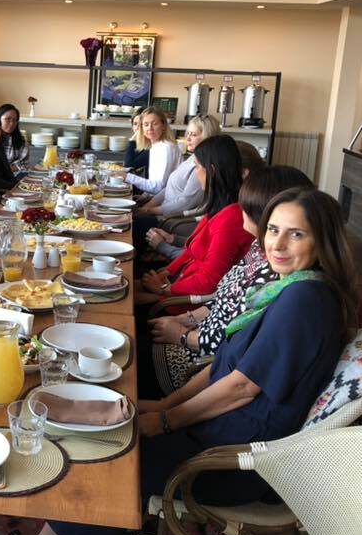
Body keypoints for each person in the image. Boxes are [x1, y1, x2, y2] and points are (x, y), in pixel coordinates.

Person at [0, 187, 360, 535]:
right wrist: (165, 406)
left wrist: (166, 421)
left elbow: (241, 387)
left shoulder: (305, 300)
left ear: (323, 241)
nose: (278, 244)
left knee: (108, 452)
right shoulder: (283, 289)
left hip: (236, 457)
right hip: (222, 427)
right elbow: (223, 366)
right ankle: (109, 528)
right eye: (273, 230)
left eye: (296, 234)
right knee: (113, 414)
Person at [148, 166, 314, 394]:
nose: (239, 208)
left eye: (246, 204)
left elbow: (234, 346)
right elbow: (223, 300)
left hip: (201, 364)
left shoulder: (278, 274)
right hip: (198, 334)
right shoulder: (259, 248)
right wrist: (184, 319)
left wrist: (181, 335)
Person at [138, 136, 253, 306]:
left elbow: (209, 280)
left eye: (197, 166)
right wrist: (167, 272)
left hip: (188, 301)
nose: (195, 172)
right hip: (181, 282)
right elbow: (191, 252)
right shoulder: (219, 208)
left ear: (211, 171)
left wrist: (165, 289)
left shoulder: (231, 219)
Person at [132, 115, 220, 245]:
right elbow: (169, 187)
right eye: (187, 133)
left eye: (193, 135)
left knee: (131, 225)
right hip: (164, 213)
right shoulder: (192, 158)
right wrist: (148, 205)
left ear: (208, 137)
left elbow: (186, 203)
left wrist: (150, 211)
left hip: (174, 219)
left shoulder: (202, 166)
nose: (188, 138)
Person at [115, 107, 181, 195]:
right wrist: (145, 196)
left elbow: (158, 187)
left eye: (155, 124)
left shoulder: (166, 148)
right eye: (146, 124)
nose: (150, 128)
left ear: (164, 126)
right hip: (158, 198)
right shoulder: (156, 145)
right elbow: (155, 183)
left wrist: (127, 177)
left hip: (168, 201)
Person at [0, 103, 30, 175]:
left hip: (15, 177)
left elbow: (25, 164)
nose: (12, 123)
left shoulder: (21, 141)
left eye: (15, 120)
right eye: (8, 119)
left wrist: (3, 169)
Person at [122, 107, 149, 172]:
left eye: (141, 124)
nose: (137, 127)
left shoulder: (150, 148)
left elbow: (128, 167)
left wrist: (132, 141)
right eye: (135, 124)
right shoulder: (140, 144)